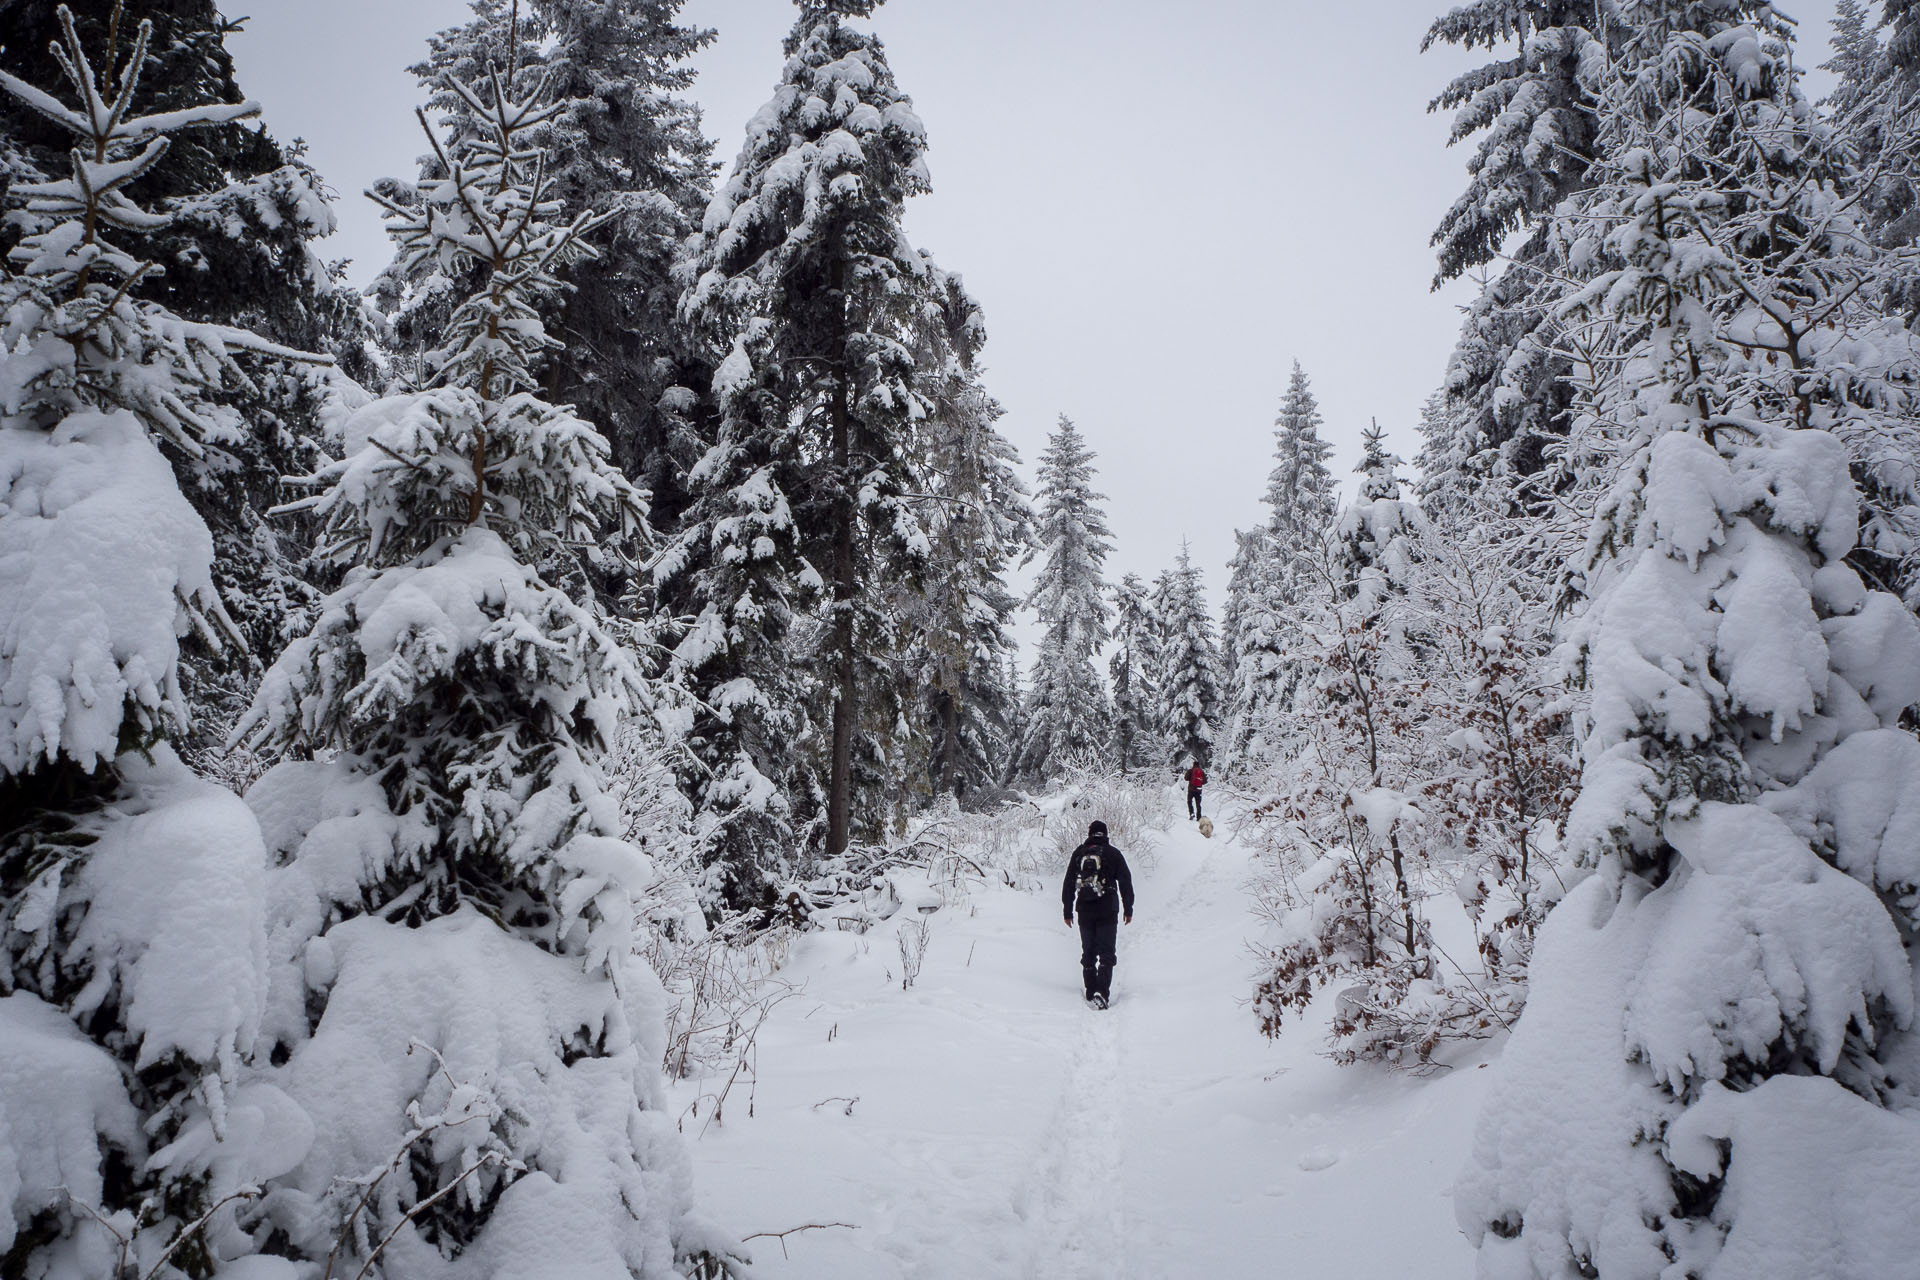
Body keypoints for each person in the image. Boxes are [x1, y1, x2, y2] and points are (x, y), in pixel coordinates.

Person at [1061, 820, 1134, 1009]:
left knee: (1089, 951)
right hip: (1108, 909)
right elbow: (1126, 881)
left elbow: (1068, 883)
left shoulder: (1079, 853)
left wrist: (1067, 910)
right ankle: (1102, 993)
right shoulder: (1113, 854)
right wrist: (1128, 908)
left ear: (1090, 833)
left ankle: (1090, 990)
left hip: (1084, 909)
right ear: (1106, 834)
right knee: (1106, 952)